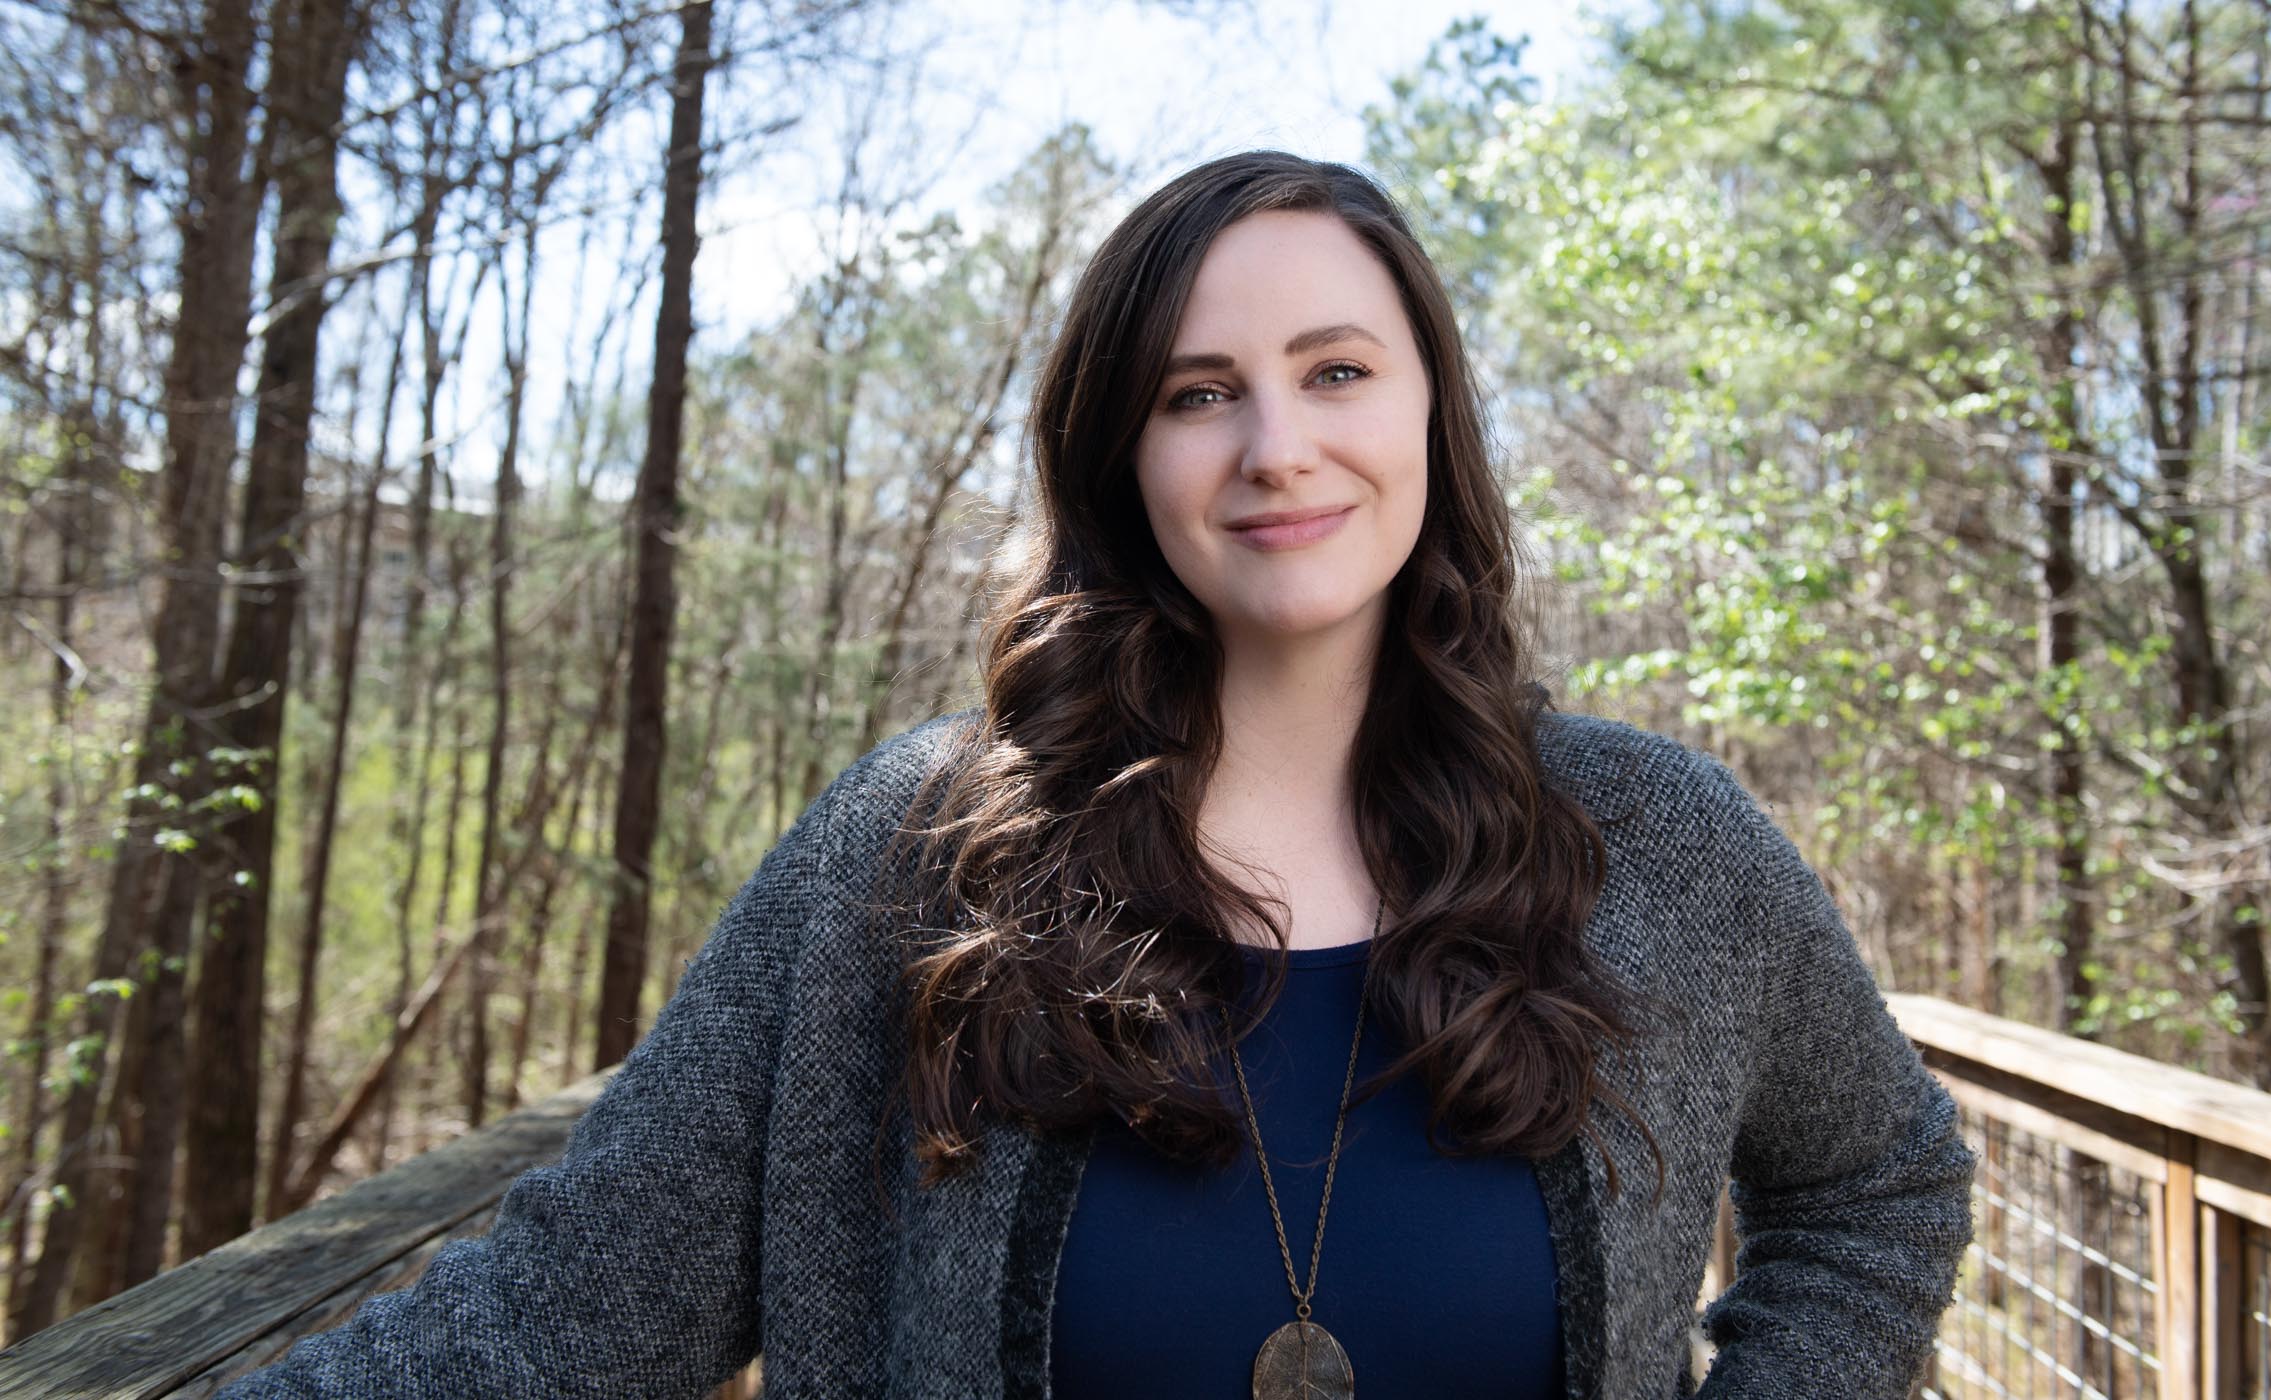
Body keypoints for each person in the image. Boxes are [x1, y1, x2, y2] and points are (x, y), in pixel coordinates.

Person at [225, 150, 1975, 1400]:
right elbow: (577, 1302)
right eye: (1198, 392)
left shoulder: (1666, 847)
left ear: (1427, 416)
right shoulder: (915, 864)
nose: (1277, 446)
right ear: (1118, 455)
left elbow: (1881, 1181)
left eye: (1336, 372)